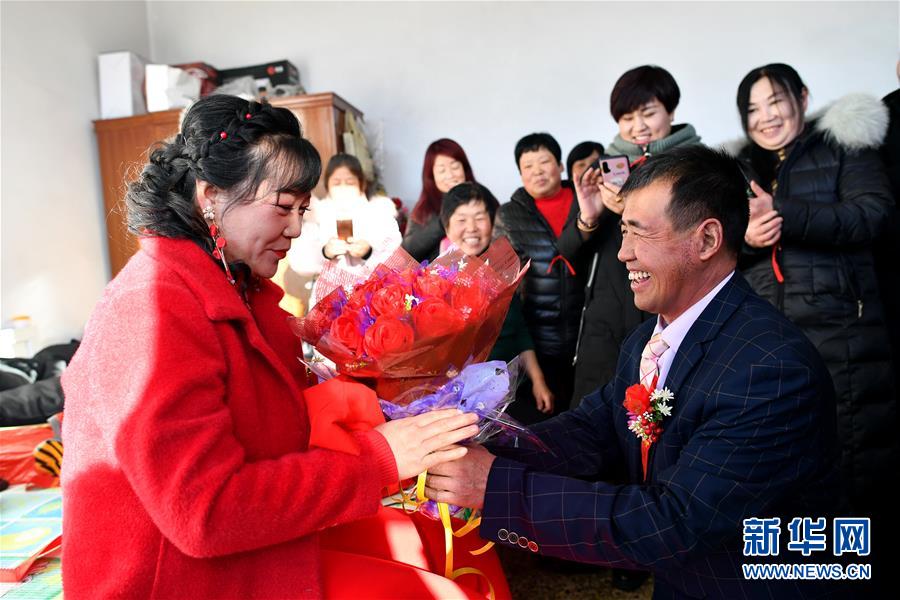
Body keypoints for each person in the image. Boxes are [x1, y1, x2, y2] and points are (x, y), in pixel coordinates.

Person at [60, 95, 501, 599]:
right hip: (175, 578)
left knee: (422, 543)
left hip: (239, 547)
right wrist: (378, 459)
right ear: (211, 196)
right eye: (283, 207)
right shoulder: (150, 307)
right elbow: (205, 511)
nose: (296, 228)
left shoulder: (238, 289)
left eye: (303, 209)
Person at [425, 146, 843, 599]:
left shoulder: (769, 369)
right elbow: (595, 428)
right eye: (623, 231)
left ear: (706, 240)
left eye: (640, 233)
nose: (623, 253)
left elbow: (675, 521)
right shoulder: (647, 337)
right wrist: (478, 447)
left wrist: (497, 487)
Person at [734, 63, 897, 516]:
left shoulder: (844, 146)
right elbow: (718, 248)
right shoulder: (740, 167)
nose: (766, 117)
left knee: (852, 457)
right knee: (779, 461)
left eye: (775, 102)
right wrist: (746, 240)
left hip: (842, 332)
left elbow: (873, 214)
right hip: (766, 337)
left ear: (802, 98)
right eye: (753, 109)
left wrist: (782, 212)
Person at [572, 65, 702, 407]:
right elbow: (568, 256)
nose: (638, 126)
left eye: (648, 113)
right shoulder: (606, 168)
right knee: (594, 413)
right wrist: (587, 218)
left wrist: (627, 210)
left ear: (671, 111)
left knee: (661, 411)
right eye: (627, 117)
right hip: (607, 318)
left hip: (670, 311)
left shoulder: (696, 165)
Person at [494, 133, 599, 424]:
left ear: (561, 166)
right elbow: (503, 275)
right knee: (548, 416)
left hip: (589, 328)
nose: (537, 171)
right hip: (538, 333)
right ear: (520, 174)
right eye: (528, 166)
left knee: (589, 412)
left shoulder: (586, 199)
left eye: (544, 162)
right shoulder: (510, 214)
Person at [440, 182, 554, 414]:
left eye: (480, 217)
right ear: (447, 228)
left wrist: (538, 381)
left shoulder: (503, 272)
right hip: (461, 400)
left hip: (511, 390)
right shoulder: (435, 281)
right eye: (461, 219)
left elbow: (520, 332)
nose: (472, 228)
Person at [287, 153, 400, 306]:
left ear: (361, 184)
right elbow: (300, 261)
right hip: (328, 299)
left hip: (370, 296)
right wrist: (325, 252)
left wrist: (368, 252)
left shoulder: (378, 214)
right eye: (337, 182)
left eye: (350, 182)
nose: (343, 188)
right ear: (327, 185)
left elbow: (394, 258)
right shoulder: (317, 215)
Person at [402, 138, 477, 262]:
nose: (450, 175)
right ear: (431, 176)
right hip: (436, 274)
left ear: (464, 168)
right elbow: (407, 253)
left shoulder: (482, 199)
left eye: (455, 167)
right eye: (442, 170)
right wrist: (444, 220)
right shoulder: (423, 210)